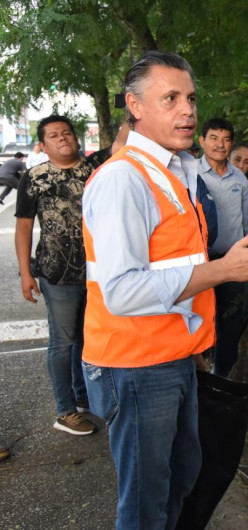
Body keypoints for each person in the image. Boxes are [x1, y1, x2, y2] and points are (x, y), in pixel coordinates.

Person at [80, 50, 248, 528]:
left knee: (181, 483)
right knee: (145, 505)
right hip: (134, 365)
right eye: (169, 98)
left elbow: (175, 267)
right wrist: (224, 270)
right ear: (135, 106)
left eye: (190, 98)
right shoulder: (122, 180)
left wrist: (194, 347)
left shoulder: (175, 171)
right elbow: (122, 291)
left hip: (174, 356)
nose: (187, 110)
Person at [15, 115, 99, 436]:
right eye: (53, 135)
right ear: (43, 144)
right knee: (62, 343)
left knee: (85, 338)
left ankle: (82, 396)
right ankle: (65, 411)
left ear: (76, 138)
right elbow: (23, 227)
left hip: (95, 273)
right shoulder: (34, 178)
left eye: (66, 133)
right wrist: (26, 273)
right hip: (56, 274)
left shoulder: (93, 170)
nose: (62, 138)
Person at [198, 118, 248, 377]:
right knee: (199, 322)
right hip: (202, 263)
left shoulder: (239, 178)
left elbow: (246, 221)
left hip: (234, 263)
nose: (220, 145)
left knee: (230, 325)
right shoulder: (189, 174)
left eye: (225, 139)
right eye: (213, 138)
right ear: (202, 141)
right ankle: (198, 381)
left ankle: (223, 381)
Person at [229, 142, 248, 228]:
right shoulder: (213, 186)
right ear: (228, 159)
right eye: (237, 160)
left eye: (246, 162)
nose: (241, 165)